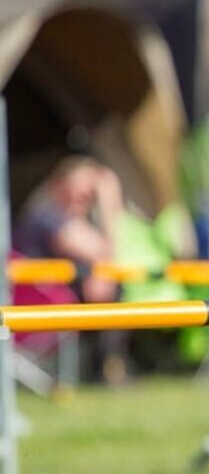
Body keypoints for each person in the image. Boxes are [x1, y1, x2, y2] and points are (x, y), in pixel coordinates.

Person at [13, 156, 128, 383]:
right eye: (78, 191)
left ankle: (107, 367)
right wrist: (108, 203)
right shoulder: (47, 215)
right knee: (111, 288)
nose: (82, 198)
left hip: (49, 294)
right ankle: (107, 369)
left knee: (107, 283)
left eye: (89, 194)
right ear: (58, 186)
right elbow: (100, 250)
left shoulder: (61, 215)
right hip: (35, 300)